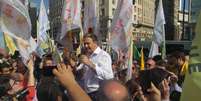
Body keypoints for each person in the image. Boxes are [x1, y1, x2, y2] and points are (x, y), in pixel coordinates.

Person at [79, 34, 114, 99]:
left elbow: (109, 76)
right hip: (87, 92)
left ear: (95, 43)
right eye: (84, 44)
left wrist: (90, 64)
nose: (86, 46)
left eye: (88, 43)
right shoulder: (88, 55)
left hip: (98, 93)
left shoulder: (103, 55)